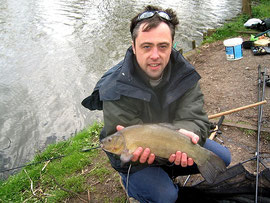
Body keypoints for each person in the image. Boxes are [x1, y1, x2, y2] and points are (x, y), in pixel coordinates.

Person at [82, 5, 231, 202]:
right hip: (137, 160)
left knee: (222, 156)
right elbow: (122, 147)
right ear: (133, 47)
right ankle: (134, 186)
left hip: (171, 142)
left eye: (163, 46)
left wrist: (190, 132)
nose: (155, 55)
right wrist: (133, 155)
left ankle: (165, 173)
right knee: (167, 197)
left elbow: (195, 117)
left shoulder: (184, 74)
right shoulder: (115, 85)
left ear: (172, 45)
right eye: (146, 46)